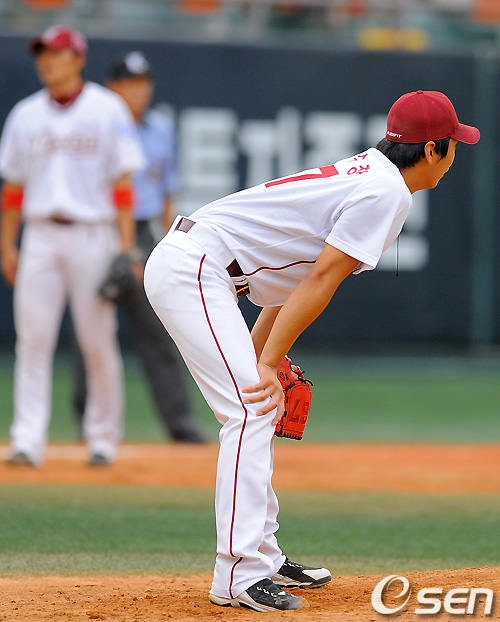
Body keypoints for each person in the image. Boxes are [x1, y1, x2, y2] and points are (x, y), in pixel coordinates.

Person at [143, 90, 480, 612]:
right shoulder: (388, 192)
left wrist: (263, 357)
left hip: (204, 266)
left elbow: (297, 279)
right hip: (196, 268)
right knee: (252, 409)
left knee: (256, 405)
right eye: (453, 143)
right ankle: (238, 574)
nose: (456, 153)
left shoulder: (370, 174)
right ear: (433, 149)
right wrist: (265, 366)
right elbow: (321, 279)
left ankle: (262, 555)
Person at [0, 26, 145, 467]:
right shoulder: (25, 114)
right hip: (40, 234)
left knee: (97, 340)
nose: (47, 60)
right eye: (42, 53)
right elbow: (13, 187)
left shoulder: (106, 108)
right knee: (32, 341)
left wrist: (126, 247)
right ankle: (27, 441)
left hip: (92, 233)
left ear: (78, 59)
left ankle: (102, 439)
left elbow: (123, 182)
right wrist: (7, 245)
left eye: (57, 53)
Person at [72, 51, 206, 443]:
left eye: (144, 83)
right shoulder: (94, 127)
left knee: (159, 331)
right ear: (112, 87)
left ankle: (180, 424)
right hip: (99, 230)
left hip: (146, 236)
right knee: (91, 334)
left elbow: (166, 192)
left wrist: (172, 242)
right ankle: (87, 425)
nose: (139, 91)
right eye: (130, 83)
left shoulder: (160, 128)